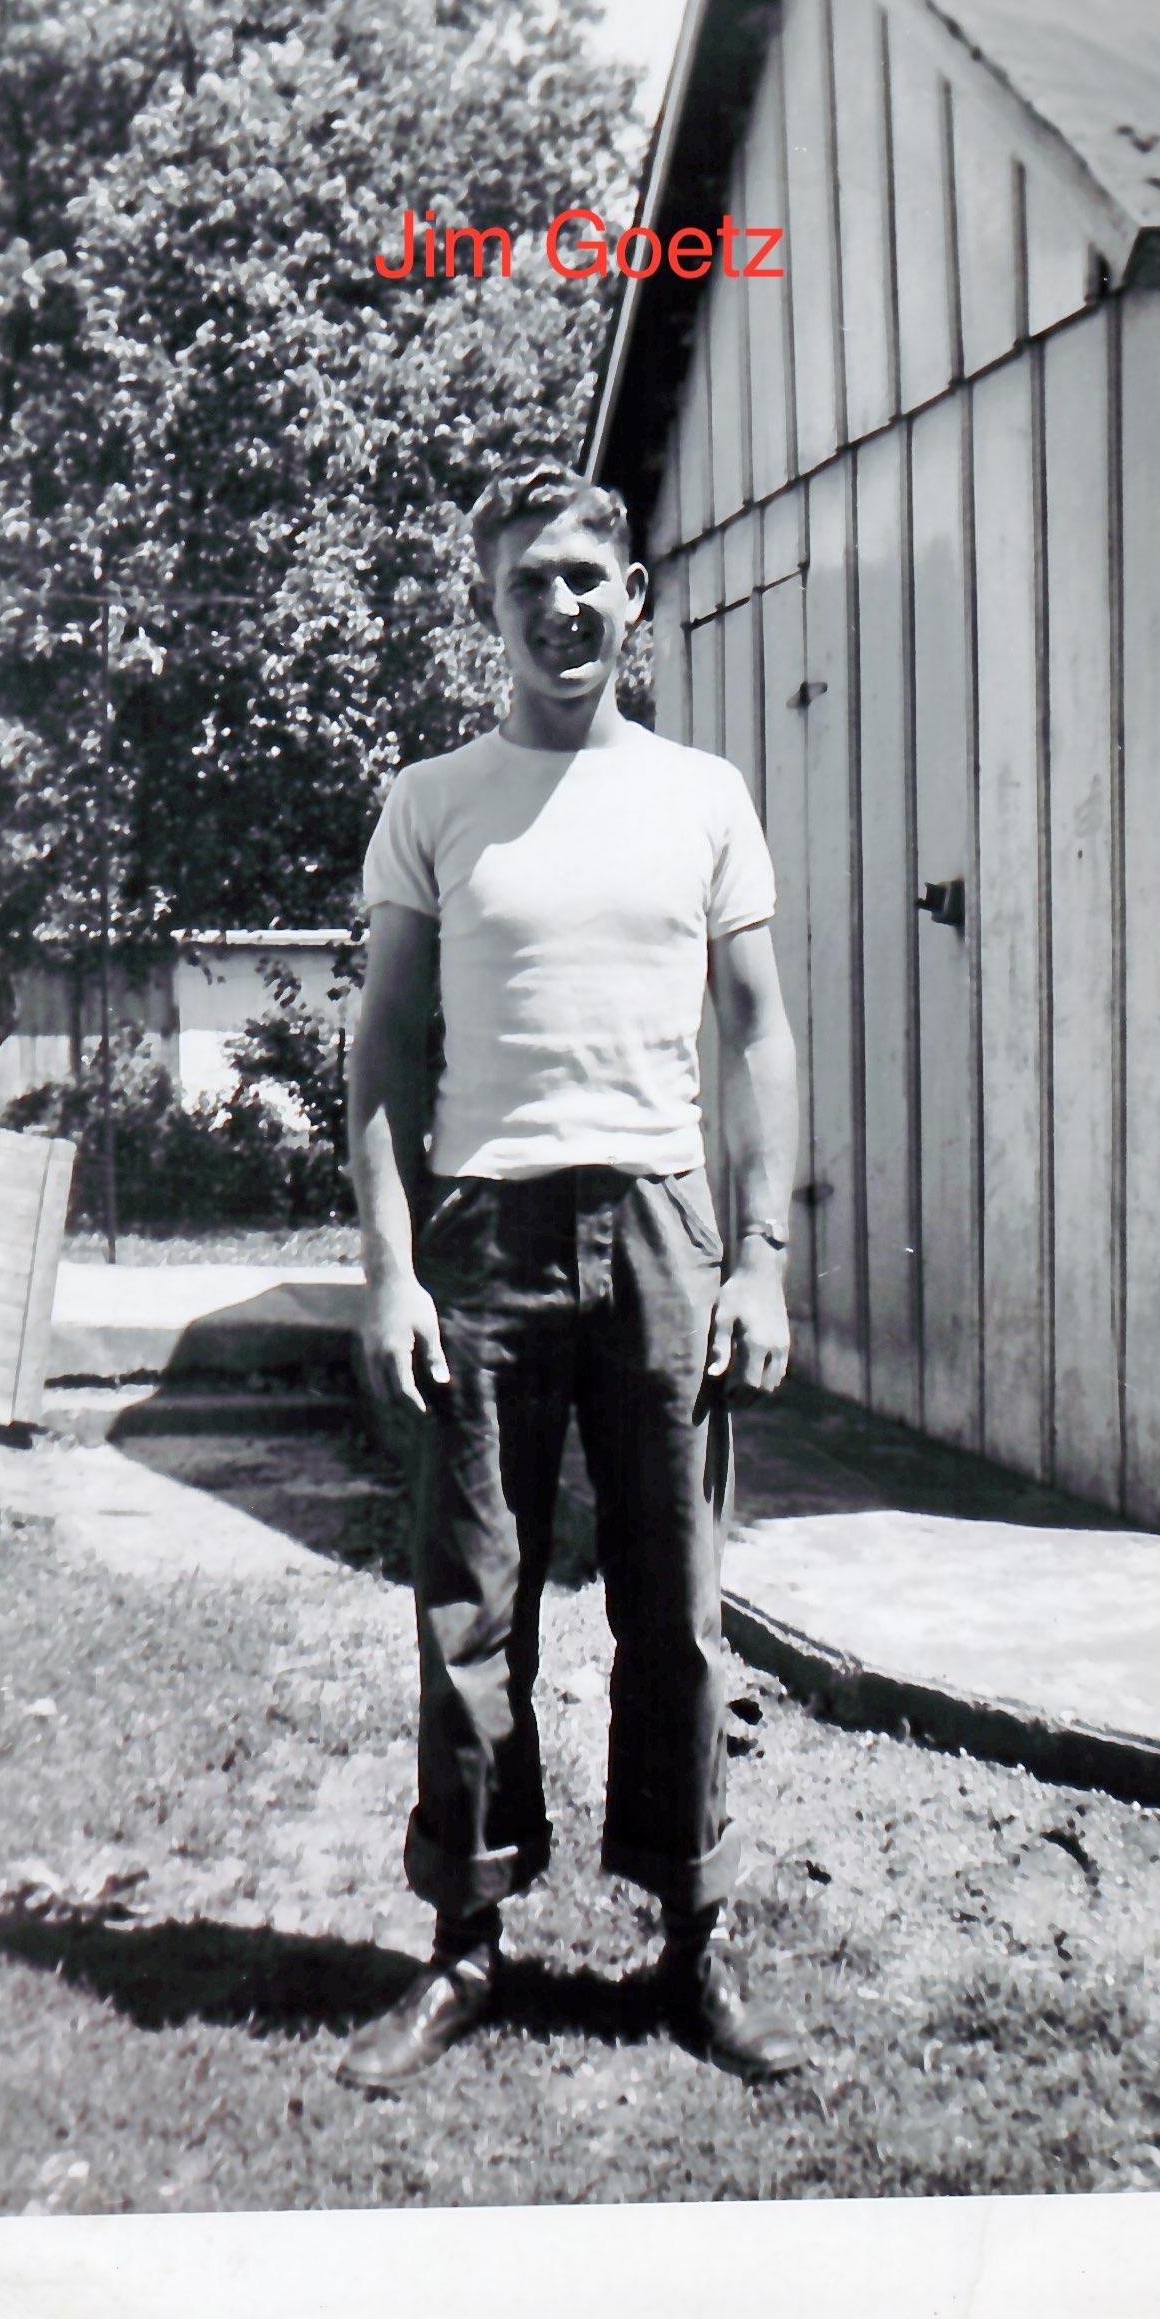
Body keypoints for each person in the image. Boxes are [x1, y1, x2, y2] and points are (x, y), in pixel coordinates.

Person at [337, 454, 804, 2091]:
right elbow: (387, 1043)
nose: (562, 605)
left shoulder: (702, 794)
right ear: (489, 609)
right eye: (528, 580)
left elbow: (756, 1032)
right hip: (483, 1237)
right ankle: (466, 1944)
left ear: (637, 601)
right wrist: (391, 1272)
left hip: (666, 1229)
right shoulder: (433, 801)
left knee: (676, 1609)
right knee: (474, 1602)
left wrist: (763, 1257)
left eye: (588, 578)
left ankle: (694, 1941)